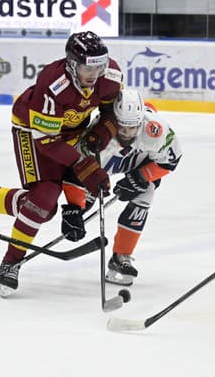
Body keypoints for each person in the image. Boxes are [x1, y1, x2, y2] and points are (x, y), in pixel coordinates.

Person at [0, 31, 122, 297]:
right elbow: (48, 142)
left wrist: (101, 134)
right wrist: (84, 166)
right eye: (89, 67)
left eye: (100, 65)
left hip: (73, 132)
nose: (96, 73)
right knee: (43, 200)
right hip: (34, 133)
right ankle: (11, 261)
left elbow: (111, 114)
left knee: (46, 207)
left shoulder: (110, 76)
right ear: (72, 64)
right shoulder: (53, 85)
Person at [65, 89, 182, 286]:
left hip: (137, 164)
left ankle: (121, 258)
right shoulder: (98, 137)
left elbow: (171, 160)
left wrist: (143, 176)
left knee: (146, 193)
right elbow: (75, 173)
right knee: (85, 203)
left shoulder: (154, 129)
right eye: (123, 128)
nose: (128, 134)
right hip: (99, 169)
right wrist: (74, 209)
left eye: (133, 127)